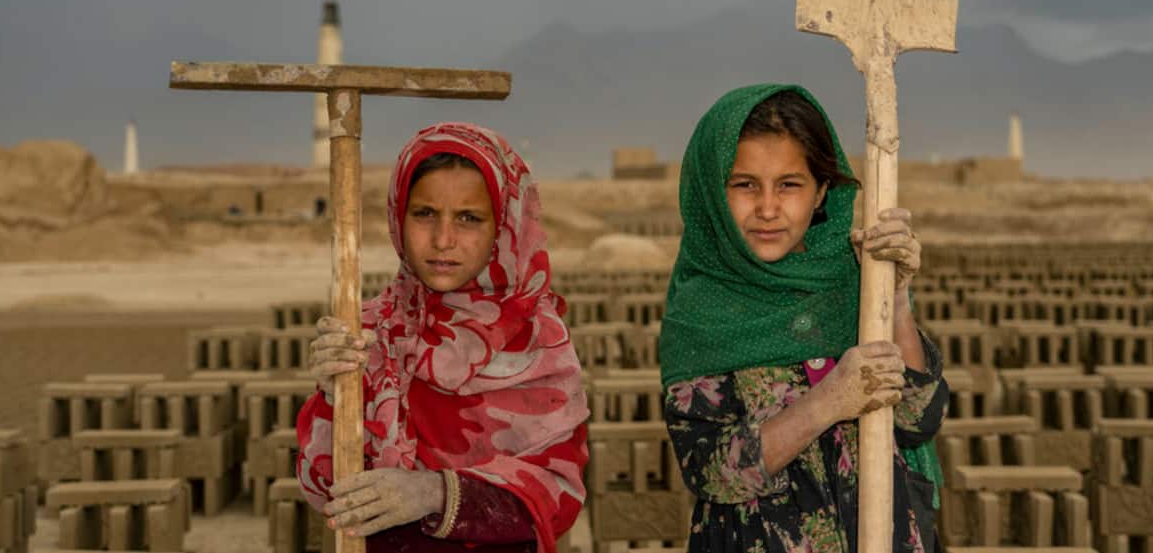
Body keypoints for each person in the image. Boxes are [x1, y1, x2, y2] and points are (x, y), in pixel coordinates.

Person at [659, 84, 947, 553]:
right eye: (745, 184)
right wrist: (829, 401)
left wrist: (894, 298)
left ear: (821, 192)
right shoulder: (703, 311)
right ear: (713, 192)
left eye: (789, 184)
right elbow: (710, 471)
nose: (768, 208)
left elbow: (918, 418)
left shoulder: (852, 282)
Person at [296, 122, 589, 553]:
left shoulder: (535, 342)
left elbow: (558, 495)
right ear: (399, 215)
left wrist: (436, 493)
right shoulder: (368, 335)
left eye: (469, 218)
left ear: (504, 226)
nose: (443, 240)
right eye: (425, 214)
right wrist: (334, 395)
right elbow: (324, 489)